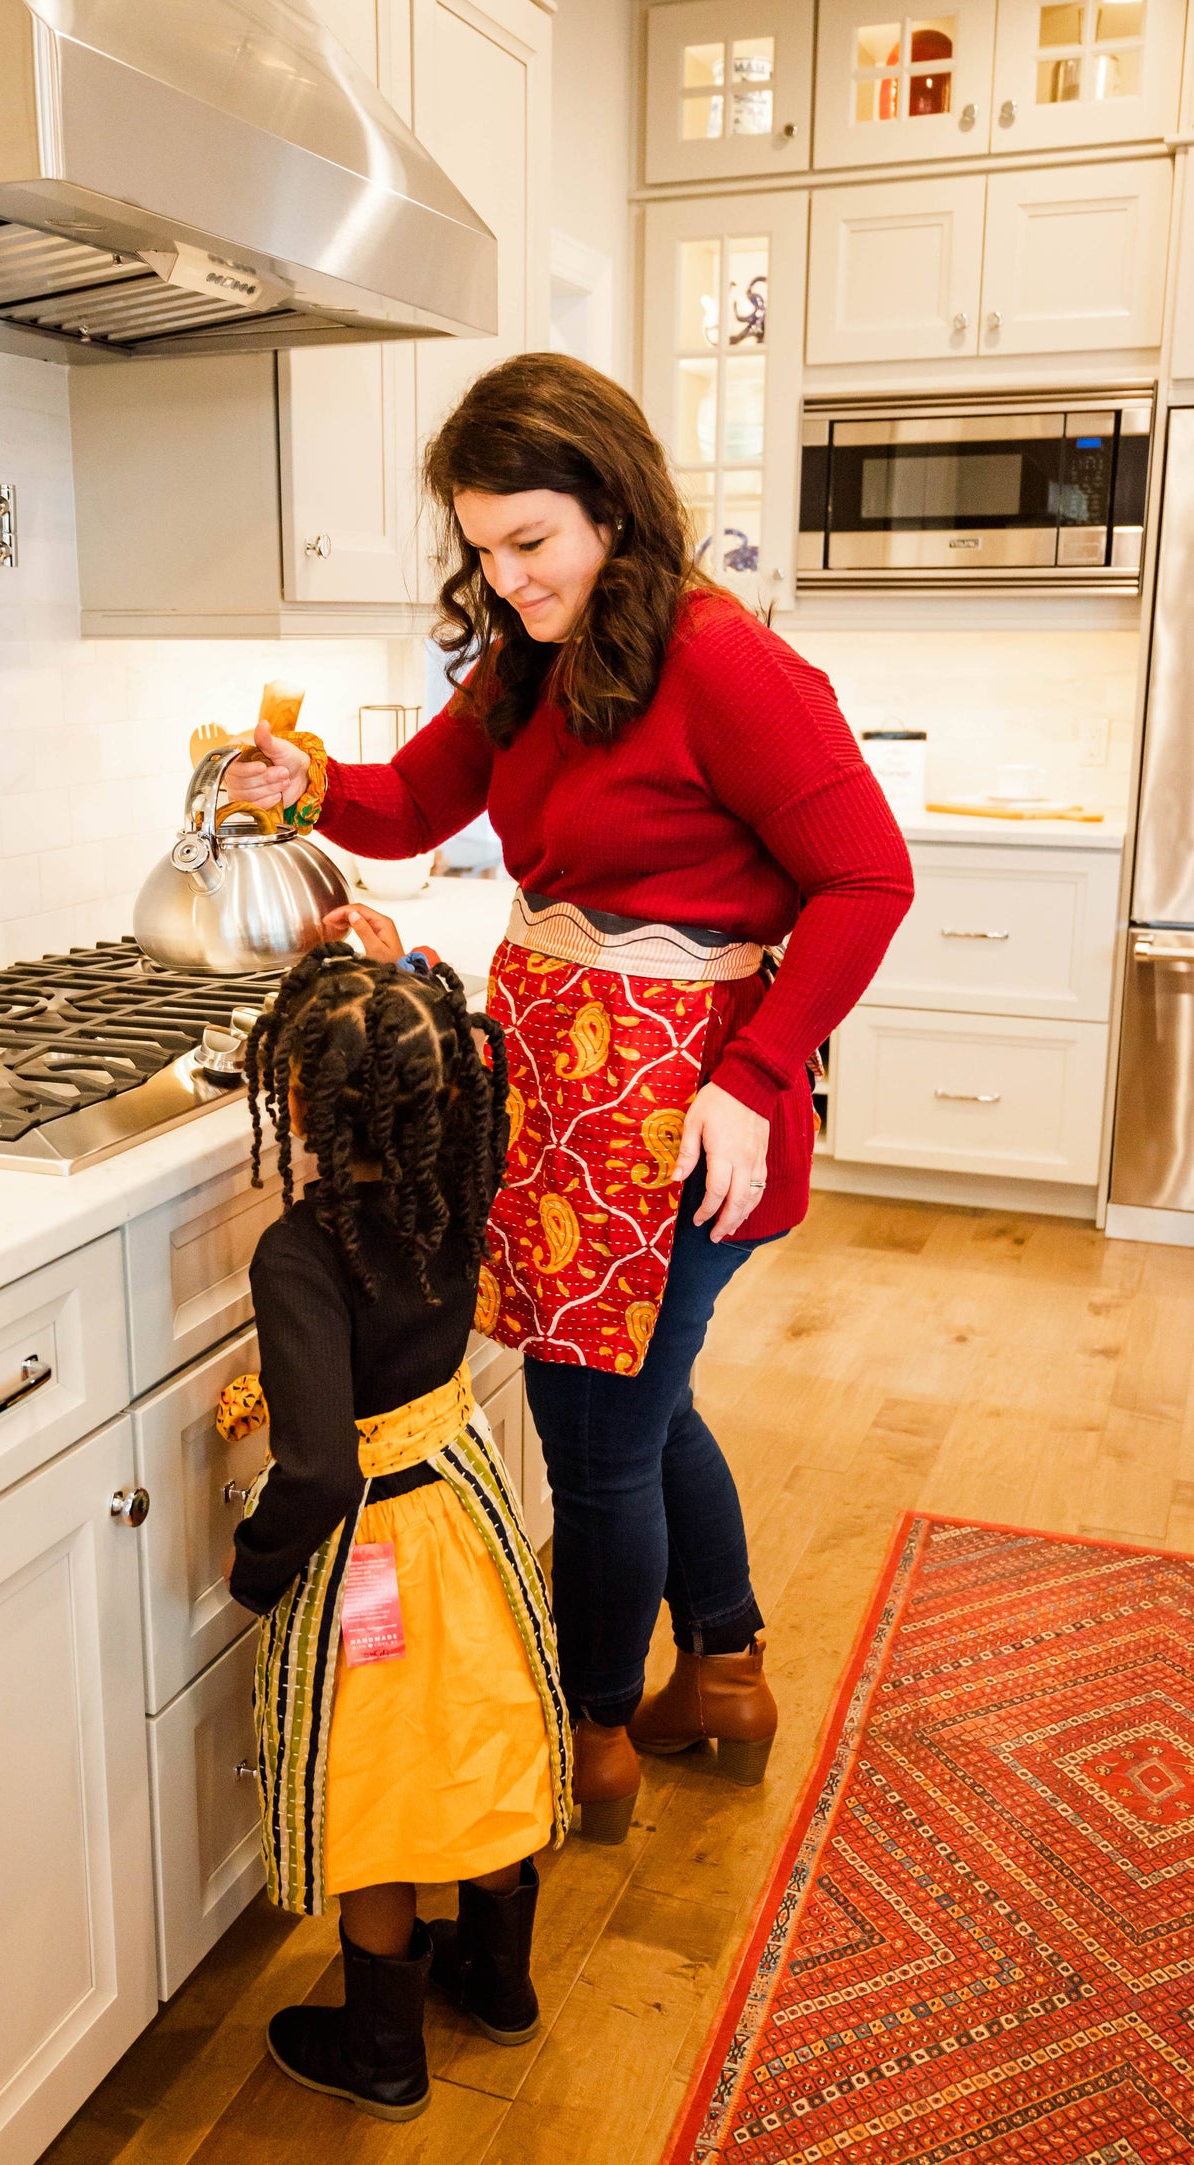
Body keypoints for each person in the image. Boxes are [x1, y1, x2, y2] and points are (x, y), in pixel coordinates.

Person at [226, 352, 916, 1846]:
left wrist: (754, 1077)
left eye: (529, 540)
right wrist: (304, 781)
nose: (506, 576)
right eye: (482, 548)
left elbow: (868, 878)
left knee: (592, 1430)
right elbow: (415, 802)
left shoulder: (725, 663)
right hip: (559, 1093)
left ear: (613, 507)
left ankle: (588, 1732)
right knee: (640, 1404)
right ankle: (722, 1668)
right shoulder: (532, 654)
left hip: (681, 1113)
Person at [222, 943, 572, 2123]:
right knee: (476, 1737)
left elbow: (317, 1465)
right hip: (464, 1513)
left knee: (378, 1787)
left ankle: (380, 2050)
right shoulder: (453, 1191)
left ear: (302, 1102)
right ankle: (499, 1980)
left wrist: (255, 1568)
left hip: (370, 1551)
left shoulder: (299, 1248)